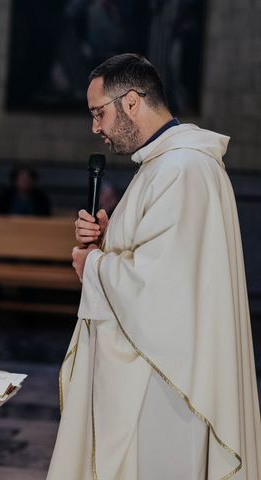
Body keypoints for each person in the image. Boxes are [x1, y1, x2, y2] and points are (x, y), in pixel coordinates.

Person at [48, 53, 261, 480]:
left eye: (99, 113)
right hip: (158, 364)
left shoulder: (184, 168)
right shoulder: (166, 163)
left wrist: (91, 265)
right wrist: (109, 243)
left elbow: (163, 290)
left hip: (166, 380)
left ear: (130, 102)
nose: (96, 128)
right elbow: (161, 260)